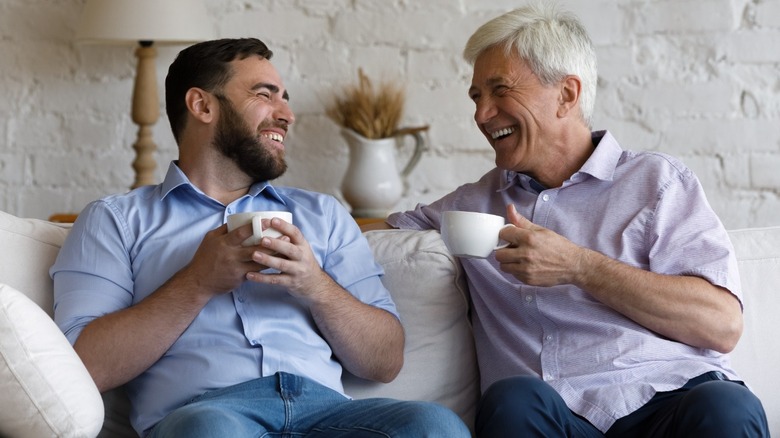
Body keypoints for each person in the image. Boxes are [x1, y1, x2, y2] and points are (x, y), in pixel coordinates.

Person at [368, 4, 769, 437]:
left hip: (671, 401)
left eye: (500, 90)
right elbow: (374, 233)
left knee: (728, 406)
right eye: (476, 97)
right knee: (512, 399)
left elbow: (722, 324)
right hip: (552, 414)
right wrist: (297, 215)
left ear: (566, 94)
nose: (481, 115)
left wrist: (579, 266)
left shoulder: (656, 182)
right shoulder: (473, 205)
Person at [51, 38, 470, 438]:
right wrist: (198, 281)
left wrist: (316, 286)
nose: (286, 114)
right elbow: (84, 367)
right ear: (202, 105)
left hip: (329, 415)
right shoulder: (116, 221)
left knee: (434, 426)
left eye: (284, 97)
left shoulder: (322, 215)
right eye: (265, 94)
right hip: (208, 414)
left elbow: (385, 361)